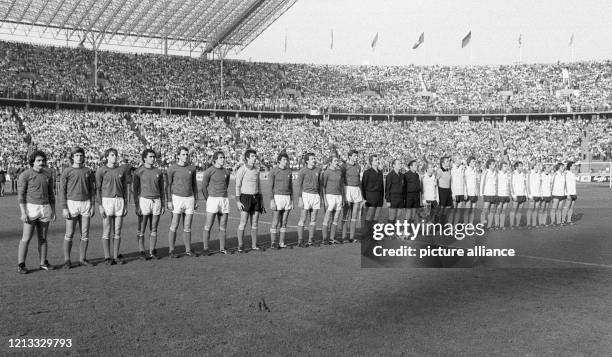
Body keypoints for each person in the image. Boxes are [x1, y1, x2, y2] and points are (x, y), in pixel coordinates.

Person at [17, 150, 56, 274]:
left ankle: (43, 262)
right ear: (32, 161)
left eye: (43, 160)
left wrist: (53, 210)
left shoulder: (48, 175)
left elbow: (51, 194)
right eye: (39, 160)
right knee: (26, 238)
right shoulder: (25, 175)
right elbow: (21, 195)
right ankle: (21, 264)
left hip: (45, 209)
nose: (41, 162)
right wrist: (23, 212)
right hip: (31, 209)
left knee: (43, 238)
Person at [60, 146, 96, 268]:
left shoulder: (88, 171)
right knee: (69, 233)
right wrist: (64, 207)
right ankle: (67, 260)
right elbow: (62, 191)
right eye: (76, 155)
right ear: (72, 157)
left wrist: (92, 205)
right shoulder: (67, 171)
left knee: (85, 234)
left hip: (86, 203)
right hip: (72, 204)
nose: (79, 157)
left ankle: (82, 259)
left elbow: (92, 189)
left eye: (81, 155)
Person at [96, 148, 128, 265]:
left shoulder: (121, 170)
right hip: (107, 201)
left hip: (119, 200)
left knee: (118, 230)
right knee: (107, 229)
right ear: (107, 157)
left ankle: (115, 256)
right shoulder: (101, 170)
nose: (115, 157)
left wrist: (125, 204)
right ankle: (107, 257)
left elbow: (125, 188)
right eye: (112, 155)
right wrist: (100, 205)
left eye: (116, 155)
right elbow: (98, 189)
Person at [166, 146, 198, 258]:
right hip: (177, 198)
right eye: (183, 154)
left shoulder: (192, 168)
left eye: (187, 154)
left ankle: (188, 250)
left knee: (188, 226)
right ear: (178, 155)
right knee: (174, 224)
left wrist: (196, 199)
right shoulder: (171, 168)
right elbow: (168, 185)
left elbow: (194, 184)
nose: (185, 156)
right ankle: (171, 250)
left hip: (189, 199)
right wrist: (169, 200)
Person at [133, 149, 165, 260]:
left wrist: (163, 204)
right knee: (142, 228)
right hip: (144, 201)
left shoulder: (158, 172)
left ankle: (152, 251)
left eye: (154, 156)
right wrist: (137, 206)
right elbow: (135, 190)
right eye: (150, 156)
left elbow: (162, 190)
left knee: (154, 228)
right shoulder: (138, 172)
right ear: (144, 158)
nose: (153, 159)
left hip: (156, 201)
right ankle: (142, 251)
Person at [201, 151, 231, 254]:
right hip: (213, 200)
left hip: (224, 200)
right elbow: (203, 187)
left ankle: (222, 248)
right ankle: (205, 248)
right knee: (208, 225)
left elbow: (226, 185)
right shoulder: (209, 171)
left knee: (223, 226)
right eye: (220, 158)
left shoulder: (227, 172)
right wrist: (208, 199)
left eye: (223, 157)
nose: (223, 159)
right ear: (215, 160)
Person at [235, 149, 264, 252]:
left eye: (255, 156)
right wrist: (238, 201)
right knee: (243, 222)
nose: (254, 158)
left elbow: (259, 185)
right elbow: (237, 186)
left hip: (256, 198)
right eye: (252, 156)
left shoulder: (257, 169)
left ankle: (254, 245)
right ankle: (240, 245)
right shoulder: (241, 170)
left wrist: (261, 200)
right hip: (245, 198)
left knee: (255, 222)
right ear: (247, 158)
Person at [296, 152, 322, 247]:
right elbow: (298, 185)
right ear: (307, 161)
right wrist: (300, 198)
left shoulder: (318, 170)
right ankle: (300, 241)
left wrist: (320, 197)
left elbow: (320, 185)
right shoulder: (303, 171)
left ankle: (311, 240)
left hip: (315, 195)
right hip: (305, 195)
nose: (314, 160)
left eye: (314, 158)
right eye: (312, 159)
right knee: (303, 218)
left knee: (313, 218)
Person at [269, 152, 293, 249]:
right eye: (284, 160)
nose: (286, 161)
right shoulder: (274, 171)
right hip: (277, 197)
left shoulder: (289, 171)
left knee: (284, 221)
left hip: (287, 197)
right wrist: (272, 200)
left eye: (286, 160)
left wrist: (292, 199)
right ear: (279, 161)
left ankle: (281, 242)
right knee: (275, 221)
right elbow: (270, 187)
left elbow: (291, 187)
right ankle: (273, 243)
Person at [320, 155, 345, 244]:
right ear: (330, 162)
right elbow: (323, 186)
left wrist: (343, 198)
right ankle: (324, 239)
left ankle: (332, 238)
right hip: (329, 196)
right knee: (327, 218)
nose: (337, 162)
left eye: (337, 161)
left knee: (336, 218)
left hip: (338, 196)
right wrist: (325, 200)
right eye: (335, 161)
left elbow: (341, 186)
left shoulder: (339, 172)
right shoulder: (326, 172)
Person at [361, 154, 384, 242]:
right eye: (375, 160)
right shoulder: (367, 172)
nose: (377, 161)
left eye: (377, 159)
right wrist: (364, 198)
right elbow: (363, 185)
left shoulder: (380, 172)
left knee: (376, 217)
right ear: (371, 162)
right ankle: (366, 234)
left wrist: (382, 197)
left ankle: (374, 234)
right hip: (370, 196)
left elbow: (382, 186)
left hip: (379, 197)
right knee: (369, 216)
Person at [341, 150, 363, 242]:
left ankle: (352, 237)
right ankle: (344, 237)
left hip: (357, 190)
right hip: (347, 189)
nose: (356, 157)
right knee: (346, 214)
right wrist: (342, 193)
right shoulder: (344, 166)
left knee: (354, 215)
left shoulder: (358, 166)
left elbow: (360, 180)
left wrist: (361, 193)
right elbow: (341, 180)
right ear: (349, 157)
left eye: (357, 156)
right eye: (354, 156)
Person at [385, 159, 405, 230]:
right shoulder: (389, 175)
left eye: (400, 163)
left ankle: (396, 231)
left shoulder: (402, 175)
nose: (400, 165)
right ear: (393, 165)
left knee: (398, 216)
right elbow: (387, 189)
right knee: (391, 217)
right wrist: (388, 200)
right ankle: (390, 232)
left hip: (400, 198)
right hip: (393, 198)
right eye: (398, 164)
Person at [480, 159, 498, 229]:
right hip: (487, 193)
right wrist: (481, 193)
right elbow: (482, 182)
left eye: (494, 164)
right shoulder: (486, 172)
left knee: (492, 210)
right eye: (493, 164)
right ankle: (481, 224)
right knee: (485, 209)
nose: (494, 165)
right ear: (489, 165)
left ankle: (489, 225)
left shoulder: (496, 173)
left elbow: (496, 183)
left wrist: (496, 193)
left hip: (494, 194)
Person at [509, 161, 527, 228]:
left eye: (522, 166)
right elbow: (511, 184)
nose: (522, 167)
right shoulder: (513, 173)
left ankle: (517, 224)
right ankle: (511, 224)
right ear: (516, 167)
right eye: (520, 166)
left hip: (522, 194)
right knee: (514, 209)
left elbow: (524, 184)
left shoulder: (523, 174)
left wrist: (526, 194)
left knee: (520, 210)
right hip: (516, 194)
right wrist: (513, 195)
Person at [495, 161, 512, 230]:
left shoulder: (508, 175)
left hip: (506, 194)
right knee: (498, 211)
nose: (506, 167)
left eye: (507, 166)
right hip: (499, 194)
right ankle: (496, 225)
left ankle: (502, 225)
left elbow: (509, 184)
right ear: (501, 167)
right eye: (505, 166)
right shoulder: (498, 174)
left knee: (504, 211)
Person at [450, 157, 467, 224]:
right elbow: (451, 182)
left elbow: (464, 182)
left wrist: (465, 193)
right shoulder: (452, 169)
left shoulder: (462, 169)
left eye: (459, 160)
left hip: (461, 192)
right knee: (452, 211)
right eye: (457, 159)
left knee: (458, 211)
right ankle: (450, 226)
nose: (458, 161)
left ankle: (455, 226)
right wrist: (452, 193)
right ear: (454, 161)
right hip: (455, 192)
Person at [526, 162, 542, 228]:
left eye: (539, 165)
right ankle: (528, 224)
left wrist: (541, 194)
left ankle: (534, 223)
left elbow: (540, 185)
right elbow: (527, 184)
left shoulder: (539, 174)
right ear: (534, 166)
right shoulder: (530, 173)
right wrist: (529, 195)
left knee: (536, 210)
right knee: (530, 209)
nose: (539, 166)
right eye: (537, 165)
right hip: (532, 194)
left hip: (538, 194)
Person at [436, 156, 453, 223]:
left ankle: (444, 222)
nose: (448, 162)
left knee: (448, 208)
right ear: (442, 163)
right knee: (441, 208)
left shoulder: (449, 170)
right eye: (447, 161)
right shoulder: (439, 171)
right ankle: (438, 224)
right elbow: (436, 181)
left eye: (448, 161)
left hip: (448, 191)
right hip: (442, 190)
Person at [464, 157, 479, 225]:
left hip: (474, 193)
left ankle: (471, 224)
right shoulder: (466, 171)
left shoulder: (475, 171)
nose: (474, 163)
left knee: (473, 210)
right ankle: (466, 224)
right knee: (467, 210)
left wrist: (477, 190)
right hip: (468, 193)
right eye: (473, 161)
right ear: (469, 163)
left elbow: (476, 181)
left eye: (474, 161)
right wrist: (465, 192)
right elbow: (464, 182)